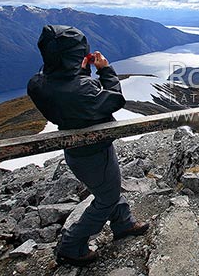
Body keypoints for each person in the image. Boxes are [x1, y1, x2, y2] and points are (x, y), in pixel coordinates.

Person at [27, 25, 149, 267]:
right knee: (107, 197)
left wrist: (78, 72)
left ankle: (123, 223)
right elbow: (114, 99)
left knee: (108, 189)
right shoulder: (82, 90)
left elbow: (68, 93)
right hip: (95, 152)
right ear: (76, 55)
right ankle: (72, 245)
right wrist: (105, 70)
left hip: (75, 151)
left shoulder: (39, 83)